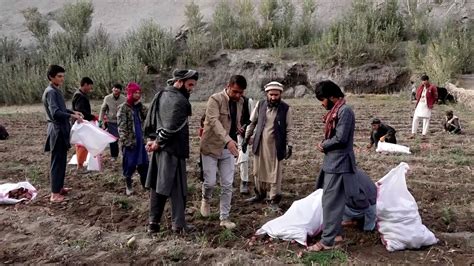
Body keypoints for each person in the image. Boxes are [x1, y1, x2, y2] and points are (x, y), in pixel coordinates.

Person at [144, 69, 198, 234]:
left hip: (159, 149)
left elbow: (151, 120)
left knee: (157, 186)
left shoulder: (160, 94)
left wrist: (152, 141)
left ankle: (153, 223)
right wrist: (158, 143)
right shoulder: (180, 101)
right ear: (179, 82)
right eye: (189, 85)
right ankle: (178, 225)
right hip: (172, 151)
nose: (191, 89)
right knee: (178, 189)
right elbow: (171, 128)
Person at [308, 80, 358, 252]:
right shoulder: (338, 111)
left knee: (331, 203)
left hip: (339, 163)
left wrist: (324, 144)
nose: (322, 104)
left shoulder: (345, 111)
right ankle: (335, 235)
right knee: (330, 200)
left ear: (331, 97)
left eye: (322, 100)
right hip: (332, 162)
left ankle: (327, 242)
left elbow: (341, 138)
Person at [200, 75, 247, 229]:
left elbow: (235, 120)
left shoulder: (240, 102)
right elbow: (214, 122)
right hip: (211, 146)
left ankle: (224, 218)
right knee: (210, 182)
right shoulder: (215, 99)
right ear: (228, 86)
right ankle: (205, 198)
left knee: (227, 184)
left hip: (229, 147)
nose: (238, 95)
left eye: (241, 92)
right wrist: (228, 139)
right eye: (235, 92)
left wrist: (239, 129)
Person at [242, 81, 293, 209]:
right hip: (260, 144)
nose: (273, 97)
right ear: (267, 94)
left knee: (274, 173)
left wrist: (289, 145)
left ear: (280, 94)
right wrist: (246, 137)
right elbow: (252, 122)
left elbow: (289, 129)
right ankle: (260, 194)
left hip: (276, 147)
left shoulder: (286, 108)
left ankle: (274, 199)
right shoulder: (260, 105)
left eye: (276, 95)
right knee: (258, 170)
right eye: (271, 95)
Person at [42, 65, 83, 203]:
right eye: (59, 76)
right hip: (57, 130)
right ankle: (54, 194)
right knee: (57, 162)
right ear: (51, 77)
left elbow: (62, 109)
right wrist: (72, 117)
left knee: (61, 161)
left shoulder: (55, 90)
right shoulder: (51, 92)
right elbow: (56, 113)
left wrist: (72, 112)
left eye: (63, 76)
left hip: (61, 129)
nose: (62, 79)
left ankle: (59, 188)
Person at [117, 82, 148, 196]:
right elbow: (121, 127)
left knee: (144, 164)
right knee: (129, 165)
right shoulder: (123, 108)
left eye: (139, 93)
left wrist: (141, 106)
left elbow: (148, 116)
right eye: (135, 92)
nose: (137, 95)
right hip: (130, 142)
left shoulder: (139, 107)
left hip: (141, 141)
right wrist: (126, 142)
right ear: (130, 93)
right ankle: (128, 185)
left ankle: (145, 185)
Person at [72, 77, 95, 171]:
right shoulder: (80, 96)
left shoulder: (81, 94)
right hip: (81, 123)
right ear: (85, 84)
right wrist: (92, 117)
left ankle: (80, 163)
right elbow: (81, 111)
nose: (90, 88)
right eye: (90, 86)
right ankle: (80, 165)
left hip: (82, 122)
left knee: (83, 144)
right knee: (82, 144)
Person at [99, 83, 126, 161]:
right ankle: (114, 156)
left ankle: (124, 155)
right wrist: (101, 121)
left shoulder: (124, 99)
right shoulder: (107, 98)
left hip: (122, 122)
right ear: (112, 89)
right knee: (113, 140)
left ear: (120, 90)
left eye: (118, 88)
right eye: (114, 88)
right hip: (111, 122)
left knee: (123, 139)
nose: (116, 89)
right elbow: (103, 109)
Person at [236, 96, 255, 194]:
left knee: (243, 156)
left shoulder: (248, 101)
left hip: (244, 134)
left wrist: (252, 134)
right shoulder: (226, 100)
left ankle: (244, 181)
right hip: (228, 134)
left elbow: (253, 118)